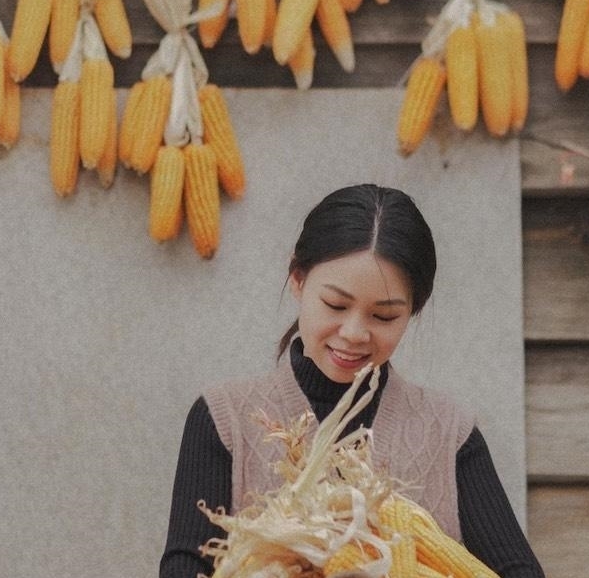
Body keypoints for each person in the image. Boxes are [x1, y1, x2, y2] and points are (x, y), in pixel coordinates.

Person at [159, 184, 543, 578]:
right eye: (336, 305)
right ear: (298, 279)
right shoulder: (225, 420)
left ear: (413, 310)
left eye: (384, 316)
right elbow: (185, 566)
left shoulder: (449, 433)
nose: (355, 333)